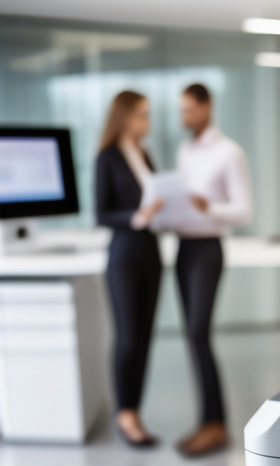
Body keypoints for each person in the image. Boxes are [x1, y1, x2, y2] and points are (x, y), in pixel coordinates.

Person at [174, 83, 253, 457]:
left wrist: (210, 208)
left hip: (208, 249)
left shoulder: (229, 152)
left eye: (189, 109)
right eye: (182, 110)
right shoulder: (185, 151)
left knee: (198, 333)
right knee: (191, 337)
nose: (184, 117)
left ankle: (216, 424)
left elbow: (244, 211)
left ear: (207, 107)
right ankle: (205, 421)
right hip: (183, 248)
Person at [96, 91, 164, 447]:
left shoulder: (144, 154)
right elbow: (102, 213)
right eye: (141, 114)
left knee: (145, 338)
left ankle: (135, 409)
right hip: (123, 255)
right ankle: (125, 414)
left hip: (151, 254)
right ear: (124, 116)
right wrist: (136, 217)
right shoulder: (107, 157)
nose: (147, 120)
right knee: (127, 338)